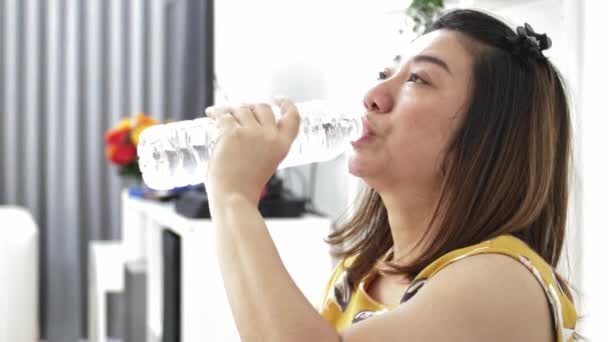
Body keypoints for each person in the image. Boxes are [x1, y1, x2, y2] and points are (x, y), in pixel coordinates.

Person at [204, 8, 579, 342]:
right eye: (385, 73)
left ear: (488, 135)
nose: (373, 94)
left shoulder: (501, 283)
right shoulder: (361, 271)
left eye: (417, 79)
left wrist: (234, 195)